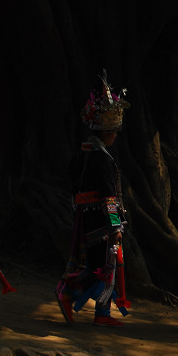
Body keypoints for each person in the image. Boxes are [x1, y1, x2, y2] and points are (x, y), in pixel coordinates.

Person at [55, 74, 130, 327]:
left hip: (84, 215)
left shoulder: (83, 151)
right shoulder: (103, 158)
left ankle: (103, 313)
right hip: (100, 221)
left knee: (105, 263)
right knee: (101, 267)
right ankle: (69, 292)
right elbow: (109, 196)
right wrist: (115, 227)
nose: (117, 135)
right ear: (108, 130)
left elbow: (72, 180)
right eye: (115, 131)